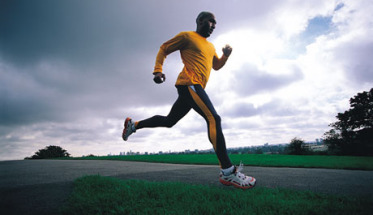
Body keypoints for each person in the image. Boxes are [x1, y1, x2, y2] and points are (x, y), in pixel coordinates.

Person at [122, 11, 256, 189]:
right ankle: (228, 172)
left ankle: (134, 125)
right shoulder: (187, 36)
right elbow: (164, 48)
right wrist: (157, 70)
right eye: (211, 22)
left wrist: (225, 56)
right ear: (200, 21)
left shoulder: (210, 46)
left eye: (215, 24)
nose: (214, 26)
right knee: (213, 118)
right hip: (189, 84)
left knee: (169, 121)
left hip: (194, 88)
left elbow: (216, 66)